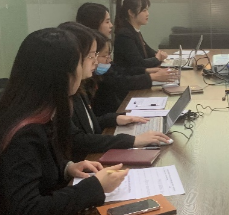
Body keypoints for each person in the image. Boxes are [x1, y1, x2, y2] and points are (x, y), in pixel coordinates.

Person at [0, 28, 128, 215]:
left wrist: (67, 168)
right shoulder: (25, 132)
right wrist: (95, 187)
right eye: (80, 62)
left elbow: (35, 166)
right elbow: (27, 211)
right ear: (61, 75)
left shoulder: (35, 111)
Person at [58, 22, 170, 161]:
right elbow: (78, 139)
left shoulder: (79, 87)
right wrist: (132, 140)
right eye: (91, 56)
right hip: (88, 159)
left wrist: (116, 118)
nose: (95, 62)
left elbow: (89, 123)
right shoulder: (66, 93)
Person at [76, 2, 177, 95]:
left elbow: (119, 70)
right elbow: (116, 81)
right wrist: (152, 75)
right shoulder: (124, 35)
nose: (111, 25)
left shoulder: (134, 32)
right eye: (107, 22)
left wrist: (147, 71)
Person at [113, 0, 168, 70]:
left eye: (147, 10)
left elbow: (148, 51)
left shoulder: (134, 31)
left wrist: (159, 54)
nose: (147, 14)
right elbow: (138, 64)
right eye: (144, 10)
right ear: (131, 13)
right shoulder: (124, 34)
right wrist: (157, 58)